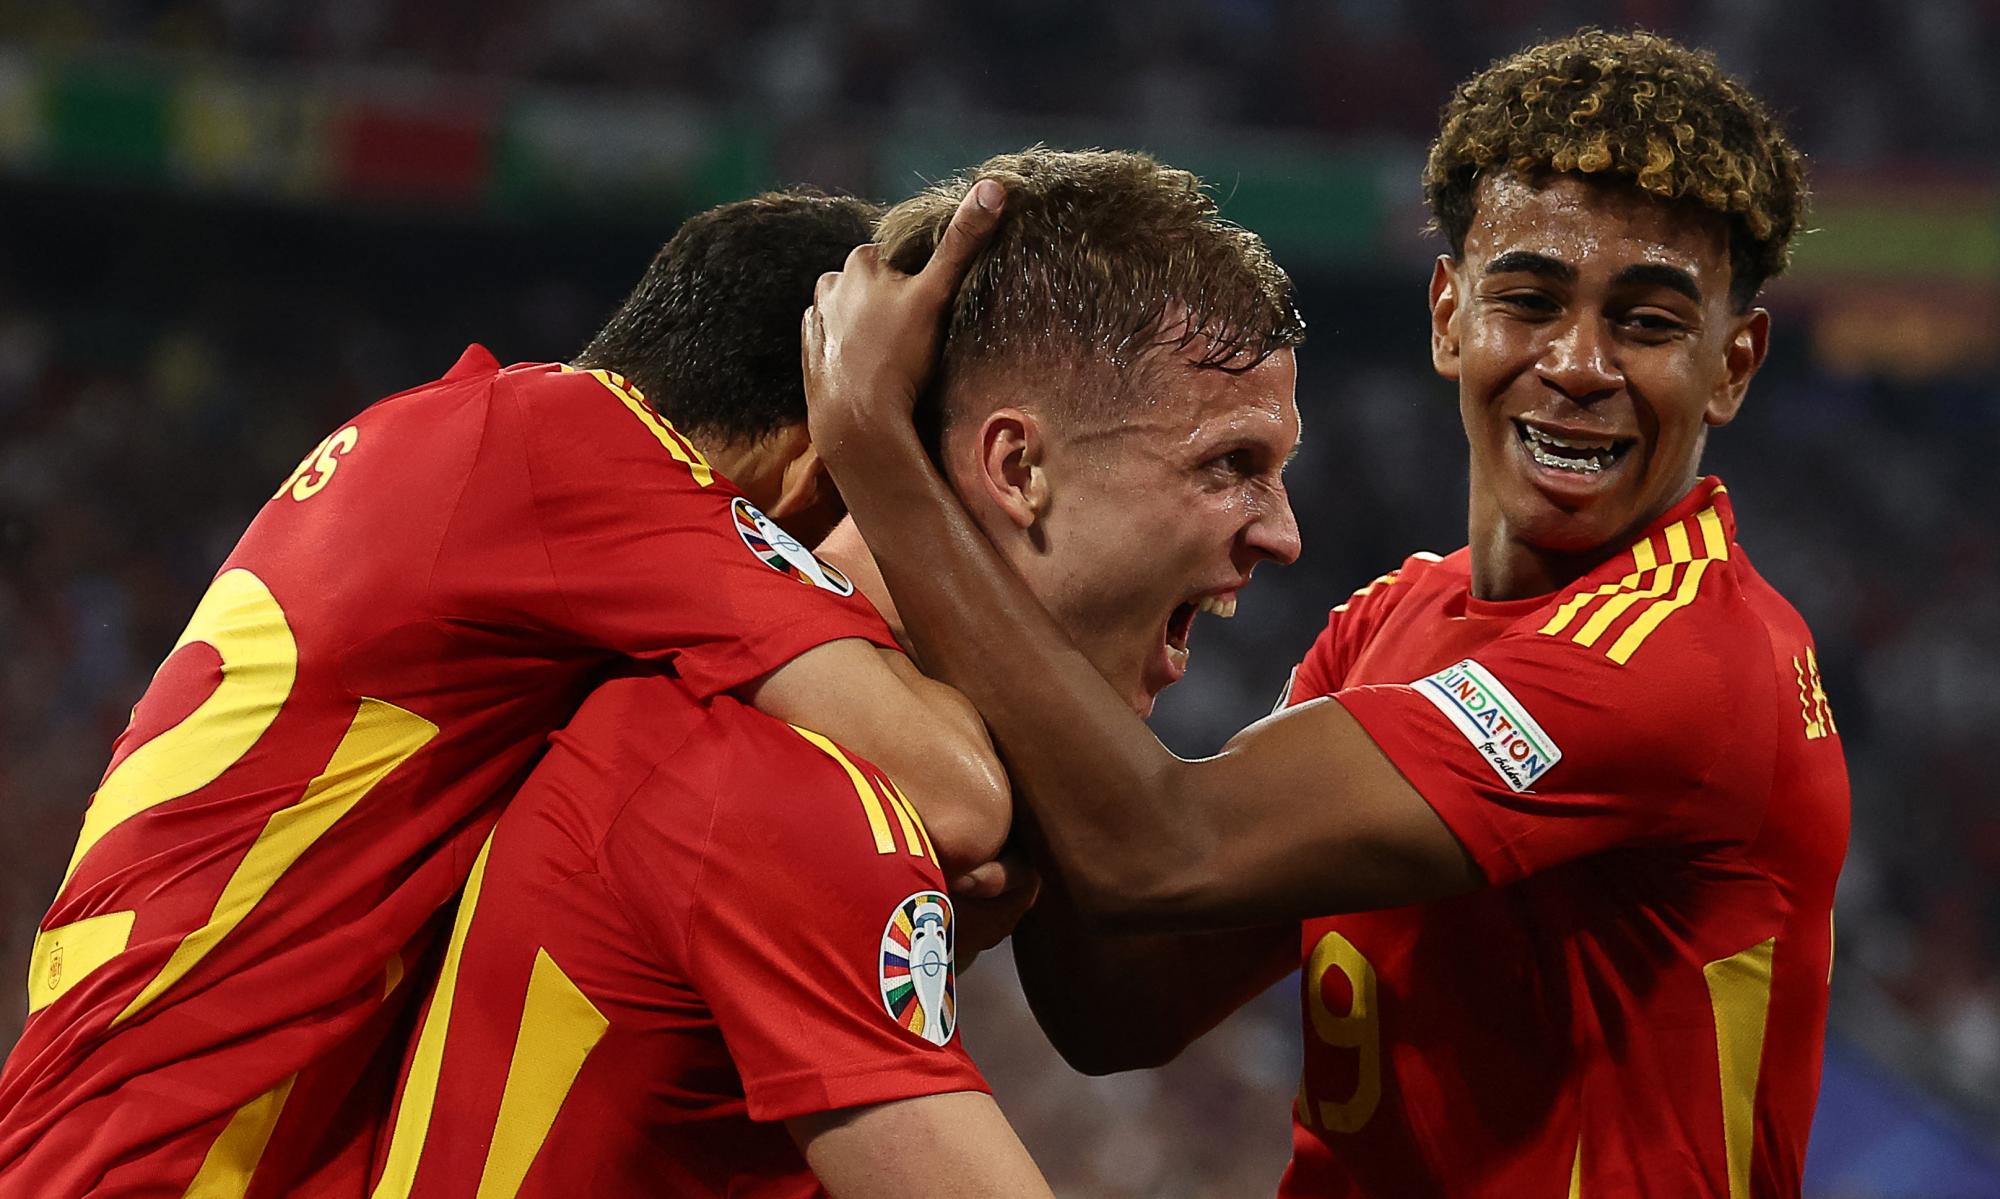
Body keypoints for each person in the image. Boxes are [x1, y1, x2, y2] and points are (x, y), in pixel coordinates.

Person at [804, 30, 1848, 1198]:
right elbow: (1124, 1004)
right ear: (1449, 315)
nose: (1577, 362)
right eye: (1529, 299)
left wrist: (875, 451)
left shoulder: (1683, 657)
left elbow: (1162, 848)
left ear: (1732, 363)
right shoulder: (1391, 622)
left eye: (1647, 323)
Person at [0, 188, 1010, 1199]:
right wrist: (876, 437)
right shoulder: (581, 455)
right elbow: (958, 794)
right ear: (807, 457)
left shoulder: (458, 436)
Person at [363, 147, 1306, 1199]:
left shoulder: (774, 721)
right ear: (1015, 467)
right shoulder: (779, 774)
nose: (1283, 535)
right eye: (1230, 465)